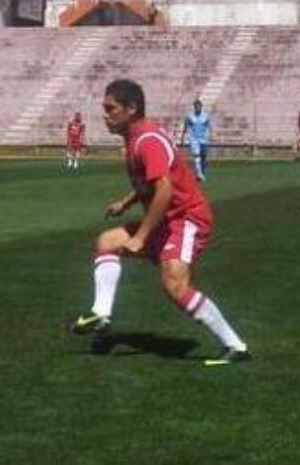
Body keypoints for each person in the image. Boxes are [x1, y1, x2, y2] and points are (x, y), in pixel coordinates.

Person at [67, 78, 250, 366]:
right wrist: (126, 203)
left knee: (175, 285)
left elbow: (164, 189)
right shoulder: (137, 137)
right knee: (107, 242)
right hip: (167, 219)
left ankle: (236, 346)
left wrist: (140, 237)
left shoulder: (147, 141)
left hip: (186, 218)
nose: (106, 115)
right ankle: (101, 313)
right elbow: (151, 181)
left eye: (111, 108)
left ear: (131, 108)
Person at [180, 98, 213, 182]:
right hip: (194, 139)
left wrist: (211, 136)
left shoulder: (205, 116)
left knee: (203, 157)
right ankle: (199, 174)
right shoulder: (190, 116)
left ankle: (202, 172)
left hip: (203, 139)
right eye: (196, 107)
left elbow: (209, 126)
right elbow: (185, 127)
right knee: (196, 155)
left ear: (201, 107)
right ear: (194, 107)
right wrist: (182, 137)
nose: (197, 108)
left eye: (199, 107)